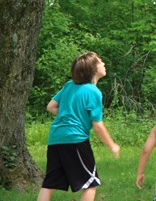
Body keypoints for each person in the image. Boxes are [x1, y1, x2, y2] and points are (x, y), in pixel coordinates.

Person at [37, 52, 120, 201]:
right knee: (90, 183)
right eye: (100, 62)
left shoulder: (69, 85)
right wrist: (112, 145)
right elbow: (98, 125)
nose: (104, 64)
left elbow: (51, 106)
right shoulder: (93, 92)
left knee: (49, 183)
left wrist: (68, 115)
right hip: (75, 140)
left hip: (55, 138)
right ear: (93, 69)